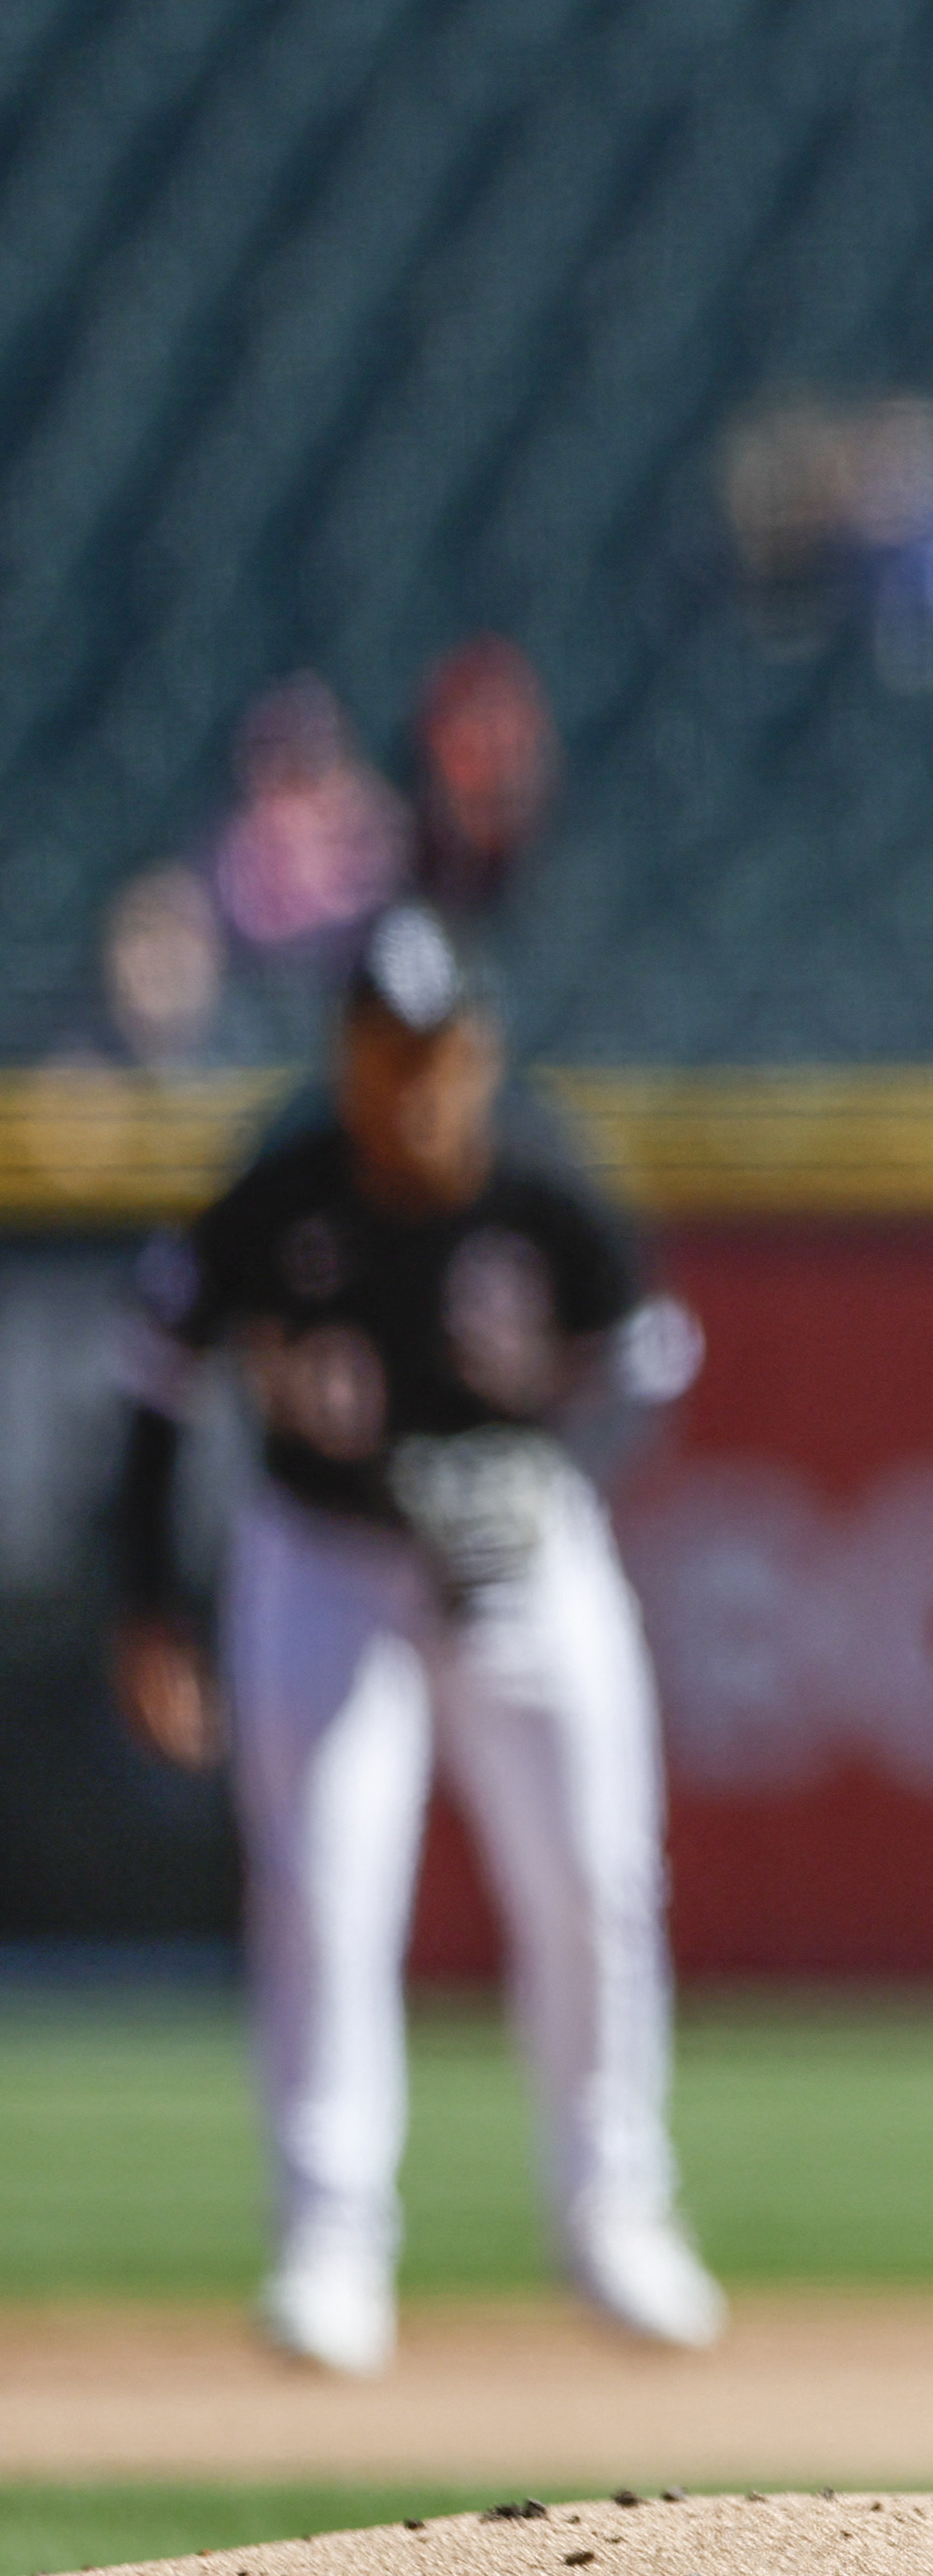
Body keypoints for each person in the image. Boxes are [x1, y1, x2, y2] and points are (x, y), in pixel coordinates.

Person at [107, 905, 720, 2377]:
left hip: (523, 1558)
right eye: (389, 1054)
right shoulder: (279, 1190)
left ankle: (615, 2212)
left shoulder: (551, 1185)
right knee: (327, 1880)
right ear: (350, 1057)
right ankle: (329, 2241)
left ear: (483, 1051)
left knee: (595, 1874)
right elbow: (154, 1386)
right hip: (324, 1555)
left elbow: (642, 1378)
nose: (416, 1084)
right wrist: (148, 1607)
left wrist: (549, 1473)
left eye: (440, 1053)